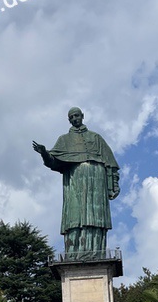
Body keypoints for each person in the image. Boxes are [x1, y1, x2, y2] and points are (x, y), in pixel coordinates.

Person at [33, 106, 119, 259]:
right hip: (75, 181)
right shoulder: (64, 140)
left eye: (77, 116)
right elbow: (53, 161)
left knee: (96, 216)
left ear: (82, 116)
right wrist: (44, 153)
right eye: (71, 117)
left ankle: (95, 252)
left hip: (97, 181)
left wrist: (113, 184)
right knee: (75, 215)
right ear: (69, 120)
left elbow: (110, 163)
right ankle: (75, 253)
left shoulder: (96, 138)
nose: (74, 119)